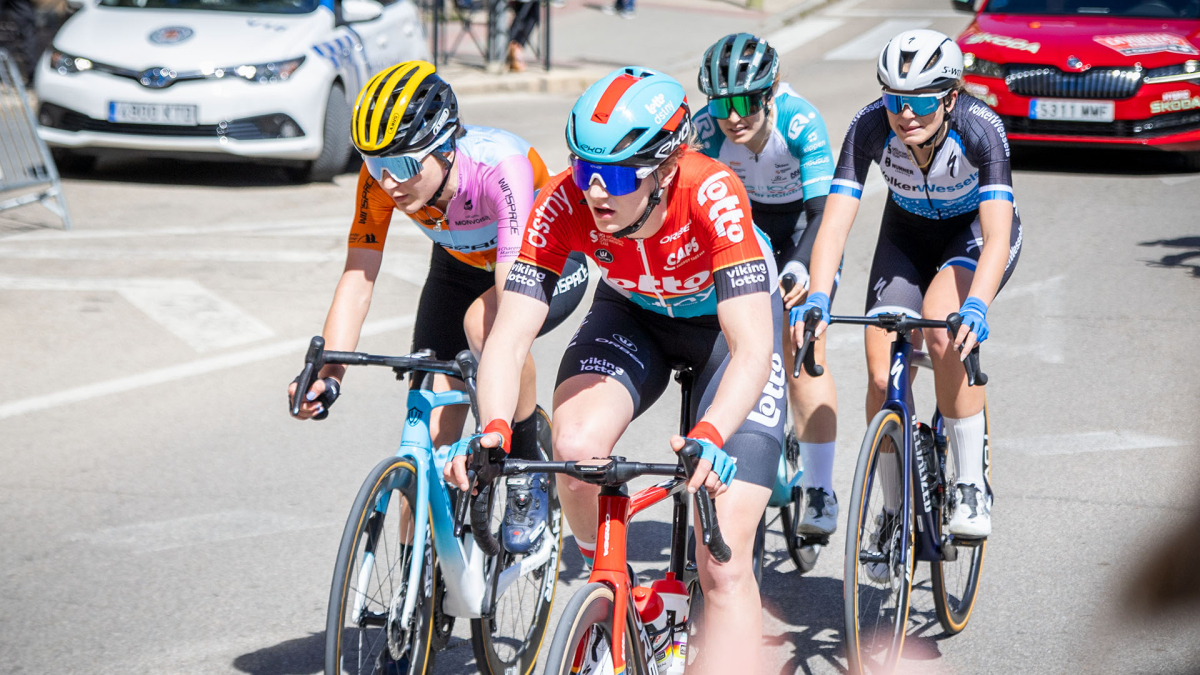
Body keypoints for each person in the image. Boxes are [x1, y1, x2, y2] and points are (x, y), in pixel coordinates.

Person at [445, 66, 784, 673]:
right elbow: (509, 335)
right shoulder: (565, 202)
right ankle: (621, 603)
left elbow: (753, 347)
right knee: (574, 453)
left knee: (724, 564)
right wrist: (493, 427)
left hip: (728, 335)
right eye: (583, 167)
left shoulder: (713, 192)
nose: (596, 190)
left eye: (619, 174)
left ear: (665, 169)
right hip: (635, 313)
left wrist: (709, 436)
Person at [288, 60, 587, 554]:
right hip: (457, 268)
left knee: (484, 328)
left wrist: (494, 422)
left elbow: (512, 313)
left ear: (446, 145)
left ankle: (528, 460)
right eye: (374, 164)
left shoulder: (500, 167)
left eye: (404, 165)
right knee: (426, 433)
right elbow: (358, 278)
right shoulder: (382, 177)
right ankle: (418, 596)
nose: (389, 182)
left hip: (545, 258)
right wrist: (329, 373)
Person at [795, 29, 1022, 554]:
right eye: (894, 98)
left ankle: (969, 485)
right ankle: (894, 510)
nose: (905, 113)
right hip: (906, 234)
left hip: (974, 235)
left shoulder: (981, 127)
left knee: (945, 328)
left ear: (949, 96)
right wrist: (819, 298)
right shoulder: (870, 126)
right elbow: (832, 227)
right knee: (880, 370)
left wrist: (976, 306)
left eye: (919, 100)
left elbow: (998, 237)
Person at [695, 32, 841, 538]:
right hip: (745, 233)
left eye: (746, 102)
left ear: (770, 92)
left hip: (803, 231)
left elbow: (824, 214)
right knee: (729, 336)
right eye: (721, 104)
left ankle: (820, 487)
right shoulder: (705, 131)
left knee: (798, 340)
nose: (733, 116)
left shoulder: (802, 123)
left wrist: (801, 266)